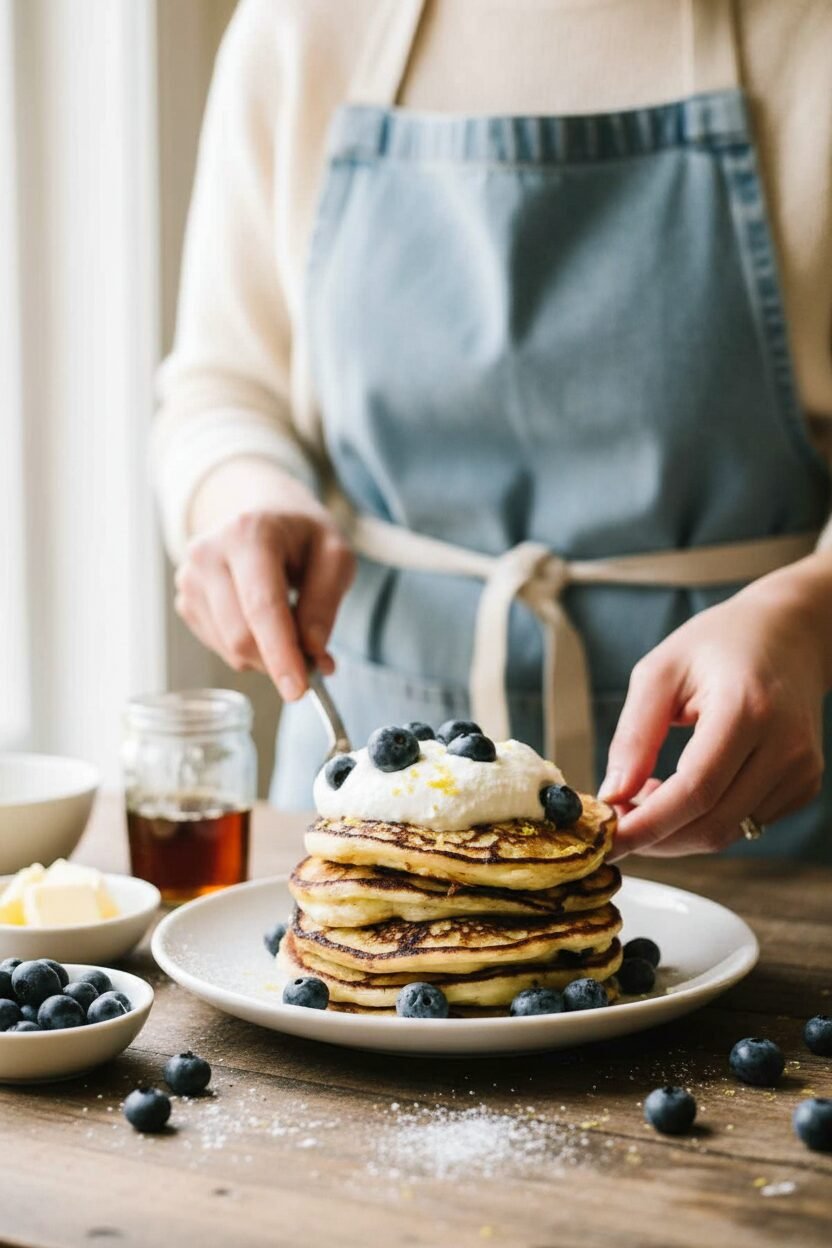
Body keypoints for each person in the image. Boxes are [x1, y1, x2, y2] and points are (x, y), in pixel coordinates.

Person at [153, 0, 832, 861]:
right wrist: (245, 494)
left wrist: (811, 615)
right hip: (367, 804)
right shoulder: (300, 25)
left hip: (748, 809)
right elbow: (224, 382)